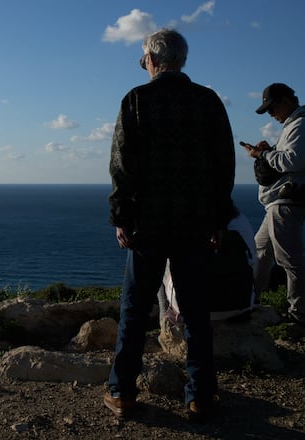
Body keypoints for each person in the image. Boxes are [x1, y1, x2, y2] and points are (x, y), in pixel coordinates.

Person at [105, 29, 235, 420]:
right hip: (195, 222)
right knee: (195, 311)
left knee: (134, 310)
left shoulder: (137, 100)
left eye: (142, 58)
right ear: (181, 59)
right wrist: (217, 217)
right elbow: (223, 164)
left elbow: (121, 165)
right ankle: (200, 397)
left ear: (151, 59)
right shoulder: (207, 101)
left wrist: (121, 216)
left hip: (148, 223)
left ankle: (123, 393)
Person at [242, 83, 305, 330]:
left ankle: (298, 318)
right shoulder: (296, 125)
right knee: (259, 253)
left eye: (272, 107)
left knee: (290, 260)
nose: (270, 113)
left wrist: (263, 155)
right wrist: (269, 152)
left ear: (287, 101)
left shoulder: (302, 125)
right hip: (281, 202)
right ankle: (249, 303)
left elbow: (293, 160)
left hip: (288, 201)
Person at [158, 204, 257, 323]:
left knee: (160, 263)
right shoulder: (240, 219)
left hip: (192, 309)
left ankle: (165, 318)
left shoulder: (185, 218)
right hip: (241, 305)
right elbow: (253, 262)